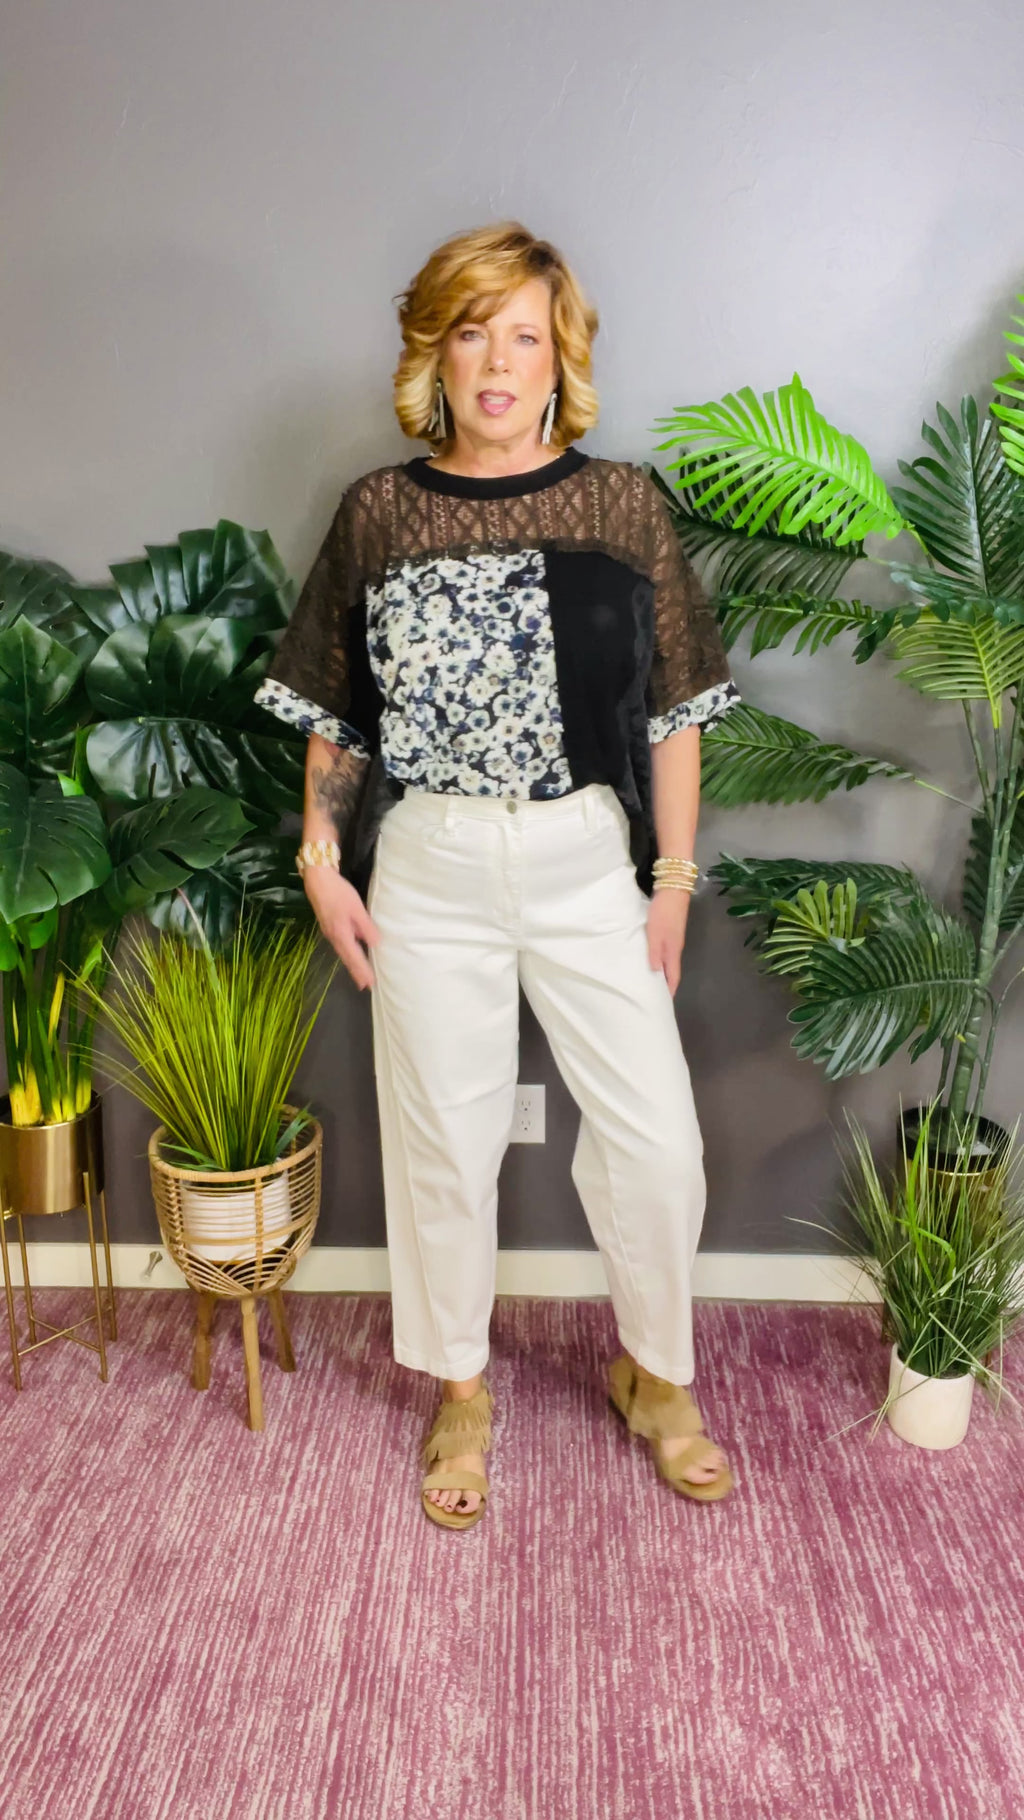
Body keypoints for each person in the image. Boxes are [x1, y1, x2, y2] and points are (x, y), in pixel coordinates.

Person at [254, 221, 743, 1531]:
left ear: (559, 360)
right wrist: (322, 864)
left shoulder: (621, 505)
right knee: (444, 1144)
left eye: (525, 335)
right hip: (431, 864)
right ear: (436, 352)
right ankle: (461, 1393)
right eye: (472, 332)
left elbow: (677, 711)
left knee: (659, 1145)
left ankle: (655, 1375)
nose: (498, 361)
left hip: (586, 858)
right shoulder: (381, 512)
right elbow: (335, 713)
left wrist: (672, 882)